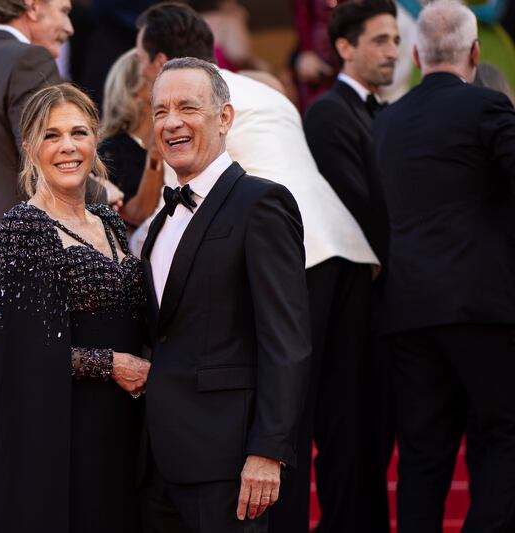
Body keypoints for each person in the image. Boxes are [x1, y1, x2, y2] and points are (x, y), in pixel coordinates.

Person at [133, 6, 379, 530]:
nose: (169, 116)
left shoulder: (201, 106)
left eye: (140, 60)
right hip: (343, 247)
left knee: (287, 413)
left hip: (277, 246)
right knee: (343, 426)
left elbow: (182, 205)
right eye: (161, 109)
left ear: (160, 59)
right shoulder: (264, 90)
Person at [0, 83, 149, 533]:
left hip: (128, 428)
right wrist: (111, 364)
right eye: (51, 135)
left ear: (95, 140)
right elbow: (15, 353)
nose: (67, 147)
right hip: (66, 431)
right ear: (29, 149)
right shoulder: (22, 228)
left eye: (78, 132)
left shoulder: (112, 223)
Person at [139, 56, 310, 533]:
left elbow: (286, 340)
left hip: (228, 463)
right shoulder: (160, 221)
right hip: (156, 464)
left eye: (188, 108)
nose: (171, 122)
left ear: (225, 118)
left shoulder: (262, 202)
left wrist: (268, 450)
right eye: (160, 111)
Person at [374, 1, 515, 531]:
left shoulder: (387, 122)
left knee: (423, 455)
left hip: (408, 310)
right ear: (476, 52)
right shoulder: (486, 108)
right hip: (482, 303)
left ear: (415, 52)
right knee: (506, 433)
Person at [301, 2, 399, 531]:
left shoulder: (378, 111)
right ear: (345, 47)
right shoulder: (328, 112)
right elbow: (356, 208)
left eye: (395, 41)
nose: (392, 52)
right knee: (349, 437)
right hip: (349, 305)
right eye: (380, 40)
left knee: (373, 438)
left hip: (378, 304)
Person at [100, 48, 165, 229]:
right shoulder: (110, 151)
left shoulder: (176, 138)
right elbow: (135, 215)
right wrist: (154, 159)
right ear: (135, 91)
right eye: (155, 77)